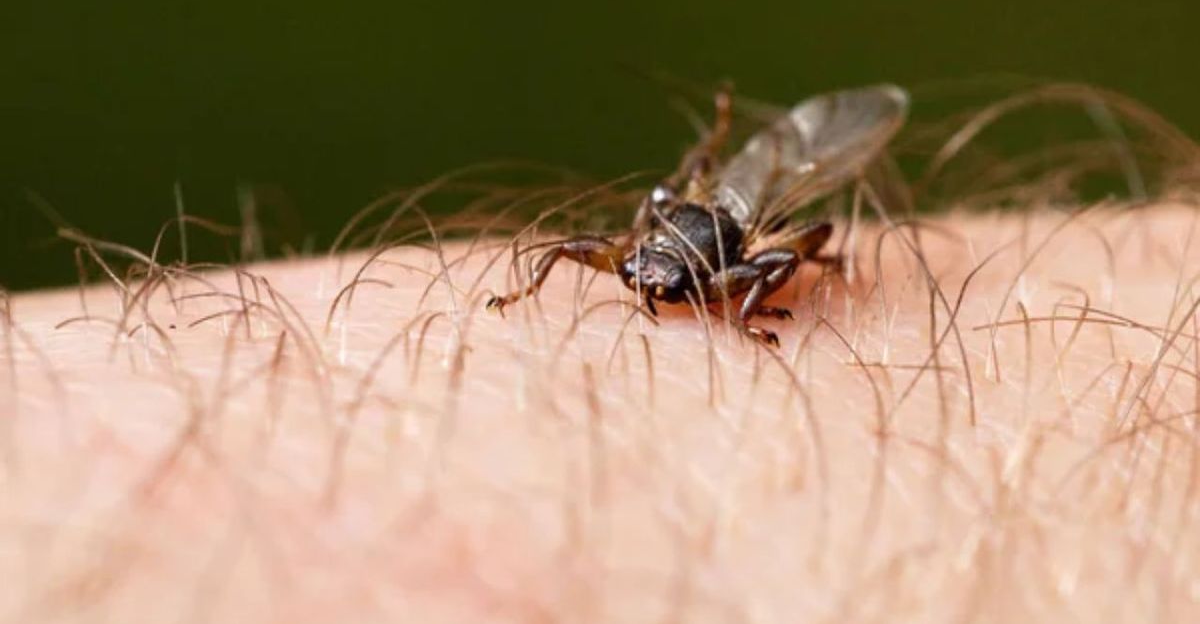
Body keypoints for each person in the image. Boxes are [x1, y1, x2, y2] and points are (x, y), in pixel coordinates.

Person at [3, 201, 1197, 622]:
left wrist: (764, 301)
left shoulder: (731, 269)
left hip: (756, 232)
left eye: (666, 290)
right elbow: (597, 253)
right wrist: (535, 287)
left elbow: (759, 268)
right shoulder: (628, 260)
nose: (644, 300)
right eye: (641, 281)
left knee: (813, 253)